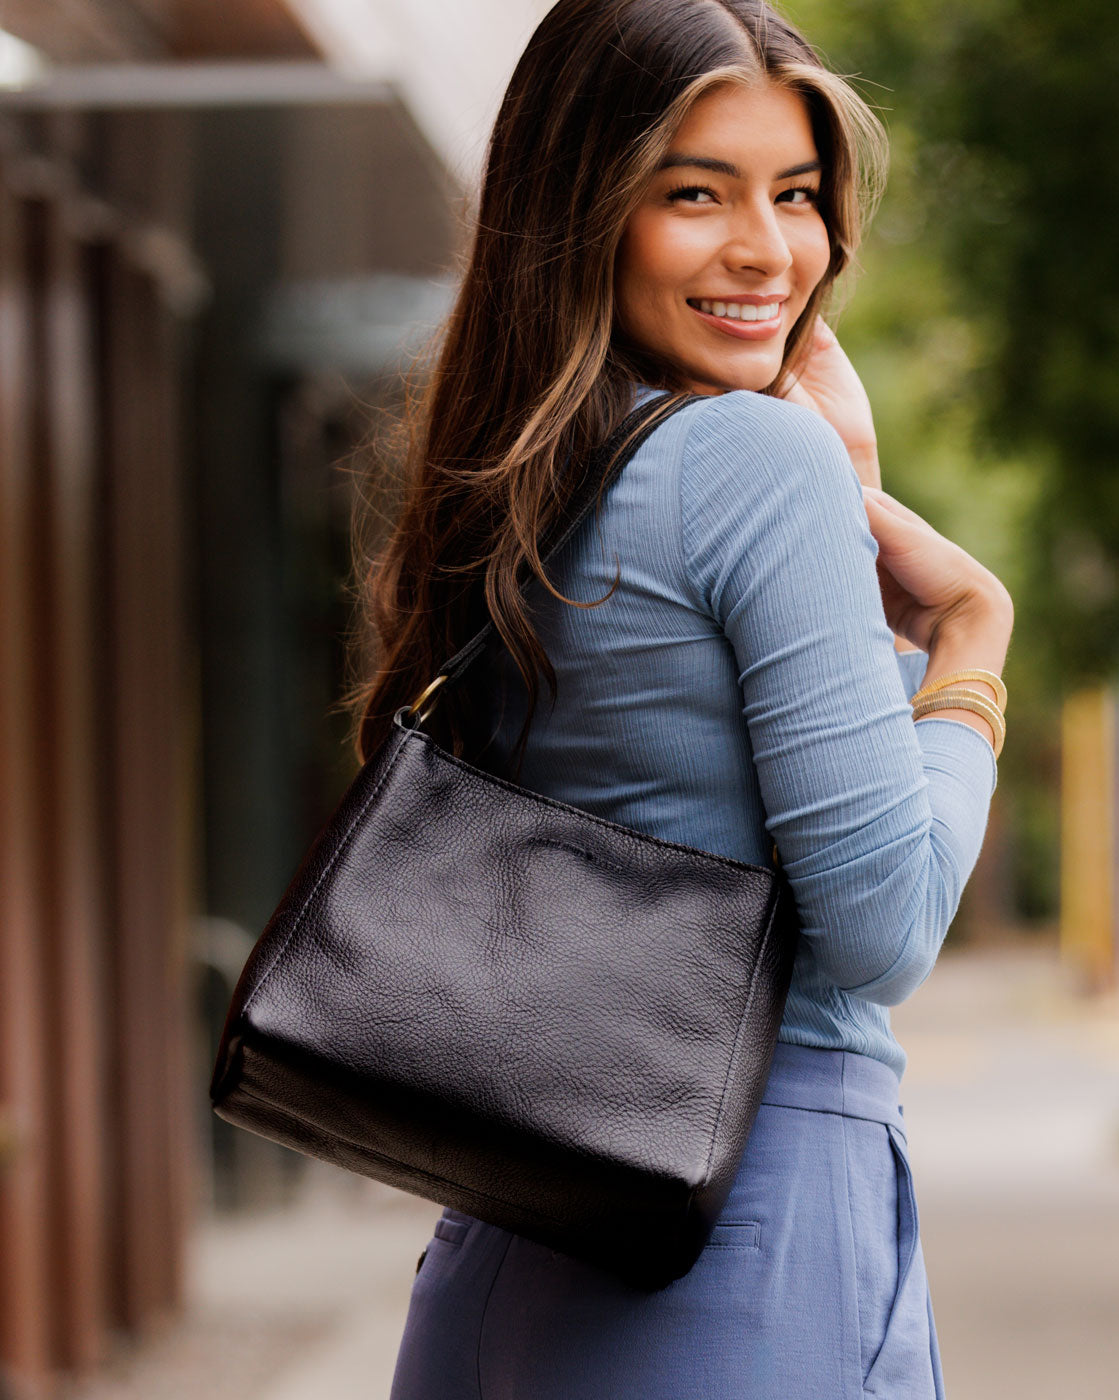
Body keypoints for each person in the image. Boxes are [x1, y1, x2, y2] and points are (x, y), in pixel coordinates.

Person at [348, 1, 1014, 1395]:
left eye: (798, 195)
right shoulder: (753, 466)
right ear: (584, 209)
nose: (767, 251)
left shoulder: (518, 482)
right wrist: (968, 653)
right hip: (737, 1237)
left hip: (510, 1245)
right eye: (693, 193)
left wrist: (849, 487)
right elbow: (882, 924)